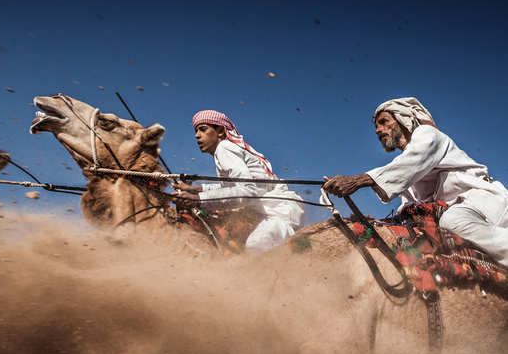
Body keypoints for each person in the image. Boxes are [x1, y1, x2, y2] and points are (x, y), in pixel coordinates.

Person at [323, 97, 508, 266]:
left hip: (482, 201)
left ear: (403, 119)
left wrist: (357, 181)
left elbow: (411, 162)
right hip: (453, 209)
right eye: (376, 127)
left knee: (453, 221)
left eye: (384, 122)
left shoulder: (428, 135)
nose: (378, 130)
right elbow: (412, 205)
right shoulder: (406, 170)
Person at [172, 110, 304, 251]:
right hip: (272, 211)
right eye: (196, 131)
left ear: (221, 132)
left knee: (256, 245)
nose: (197, 135)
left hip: (280, 213)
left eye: (203, 129)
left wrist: (198, 199)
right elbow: (236, 187)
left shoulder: (224, 148)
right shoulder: (228, 149)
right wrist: (198, 189)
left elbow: (247, 191)